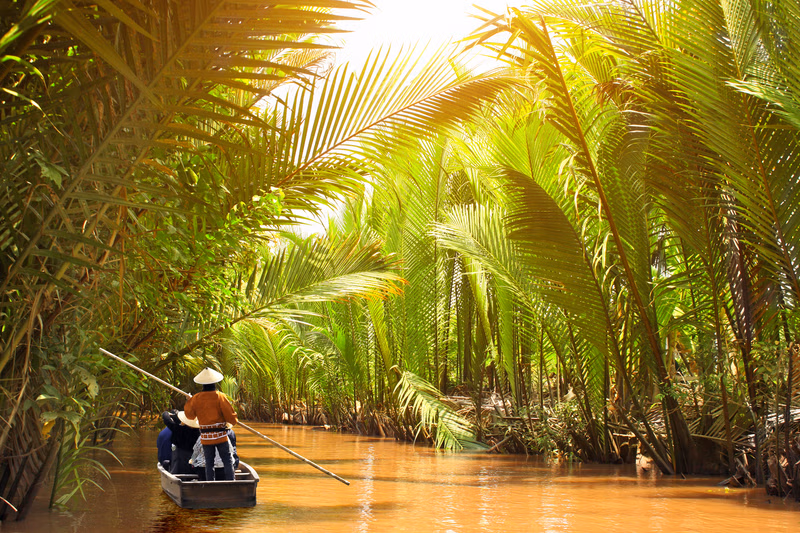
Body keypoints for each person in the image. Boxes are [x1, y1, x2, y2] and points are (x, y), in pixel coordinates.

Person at [183, 367, 238, 481]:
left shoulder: (196, 398)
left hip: (206, 437)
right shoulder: (220, 396)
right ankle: (231, 483)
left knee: (209, 462)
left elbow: (190, 416)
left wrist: (189, 400)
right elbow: (231, 418)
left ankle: (209, 484)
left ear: (202, 384)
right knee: (227, 460)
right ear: (215, 382)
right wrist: (233, 421)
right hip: (220, 436)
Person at [161, 409, 201, 474]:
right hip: (194, 461)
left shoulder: (179, 429)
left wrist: (166, 413)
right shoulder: (198, 432)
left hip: (180, 460)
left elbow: (167, 419)